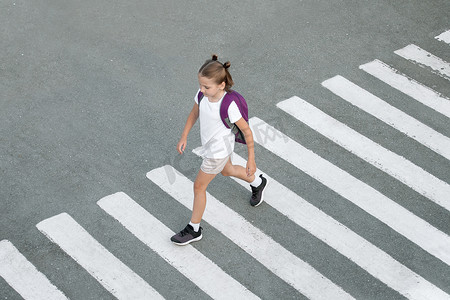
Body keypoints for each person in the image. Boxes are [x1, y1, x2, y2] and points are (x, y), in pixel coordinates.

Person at [171, 55, 268, 246]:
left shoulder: (229, 105)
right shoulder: (202, 96)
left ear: (221, 85)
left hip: (218, 152)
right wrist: (184, 136)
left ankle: (194, 228)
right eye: (200, 85)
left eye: (207, 87)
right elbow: (194, 113)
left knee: (199, 187)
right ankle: (258, 182)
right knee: (228, 170)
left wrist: (251, 159)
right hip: (212, 148)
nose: (202, 89)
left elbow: (247, 131)